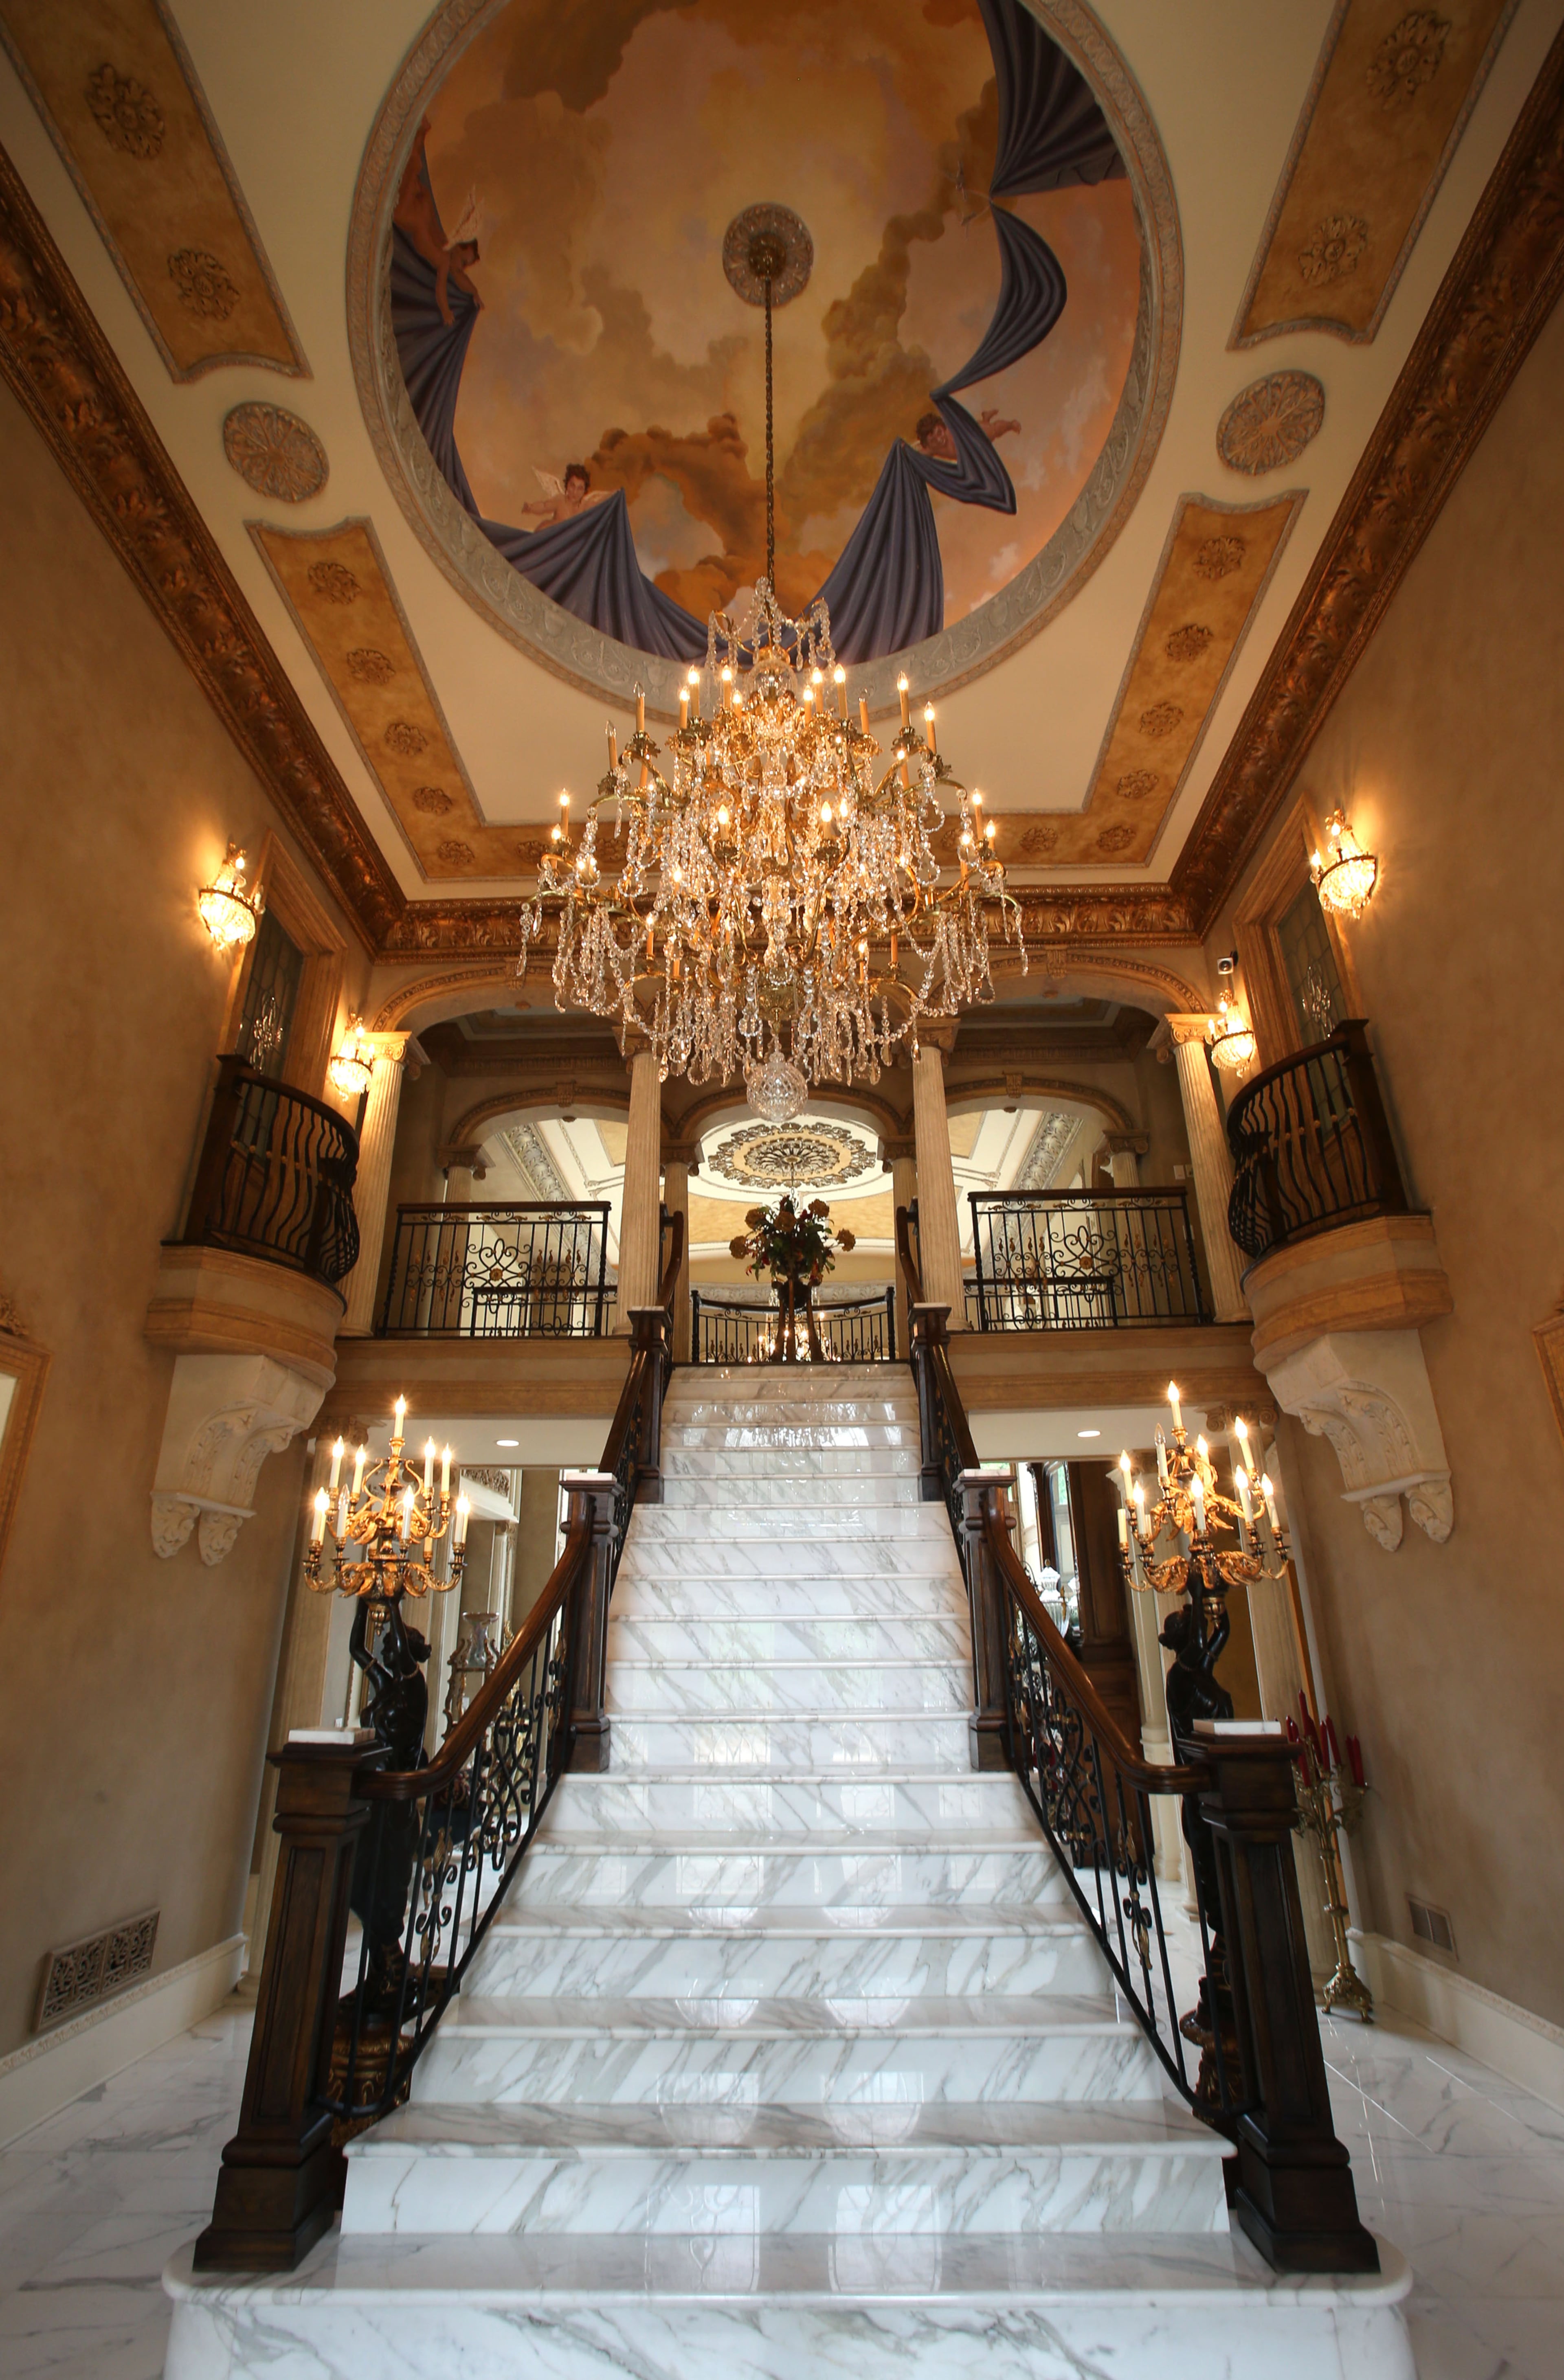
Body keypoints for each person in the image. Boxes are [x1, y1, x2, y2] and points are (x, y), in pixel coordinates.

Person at [393, 118, 483, 327]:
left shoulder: (443, 260)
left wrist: (475, 292)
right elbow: (441, 291)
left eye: (465, 265)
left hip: (405, 215)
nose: (462, 268)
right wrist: (445, 312)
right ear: (459, 248)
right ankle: (420, 134)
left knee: (414, 168)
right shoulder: (443, 244)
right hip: (415, 213)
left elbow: (455, 283)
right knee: (414, 169)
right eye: (464, 261)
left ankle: (419, 134)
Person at [915, 406, 1021, 463]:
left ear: (943, 428)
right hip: (969, 450)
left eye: (939, 433)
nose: (939, 439)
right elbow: (915, 455)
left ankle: (1010, 425)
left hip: (972, 435)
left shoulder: (950, 430)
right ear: (927, 445)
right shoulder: (932, 449)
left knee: (993, 431)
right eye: (933, 441)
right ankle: (986, 418)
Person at [522, 463, 612, 526]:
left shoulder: (586, 505)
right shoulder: (560, 501)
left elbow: (603, 505)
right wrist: (531, 508)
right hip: (555, 541)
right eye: (572, 486)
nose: (575, 492)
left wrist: (617, 496)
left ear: (585, 491)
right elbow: (544, 506)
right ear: (567, 485)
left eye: (580, 489)